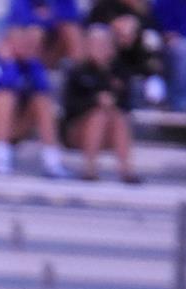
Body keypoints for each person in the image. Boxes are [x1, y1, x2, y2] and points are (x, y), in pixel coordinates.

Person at [0, 24, 73, 178]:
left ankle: (52, 161)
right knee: (6, 97)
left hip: (17, 124)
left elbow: (43, 88)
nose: (25, 46)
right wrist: (10, 63)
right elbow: (4, 84)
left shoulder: (33, 65)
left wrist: (30, 64)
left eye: (28, 43)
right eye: (20, 42)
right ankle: (0, 159)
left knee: (41, 100)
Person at [63, 24, 143, 181]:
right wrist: (95, 101)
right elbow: (69, 107)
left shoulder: (120, 72)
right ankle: (90, 169)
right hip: (78, 131)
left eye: (103, 44)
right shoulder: (78, 72)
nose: (99, 48)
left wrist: (112, 102)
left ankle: (126, 170)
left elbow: (128, 104)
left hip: (109, 130)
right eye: (95, 44)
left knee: (118, 117)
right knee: (98, 115)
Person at [5, 0, 84, 67]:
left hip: (57, 38)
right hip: (33, 35)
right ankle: (35, 73)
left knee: (71, 30)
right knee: (35, 33)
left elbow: (71, 17)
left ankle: (79, 74)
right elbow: (18, 19)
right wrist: (40, 19)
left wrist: (50, 17)